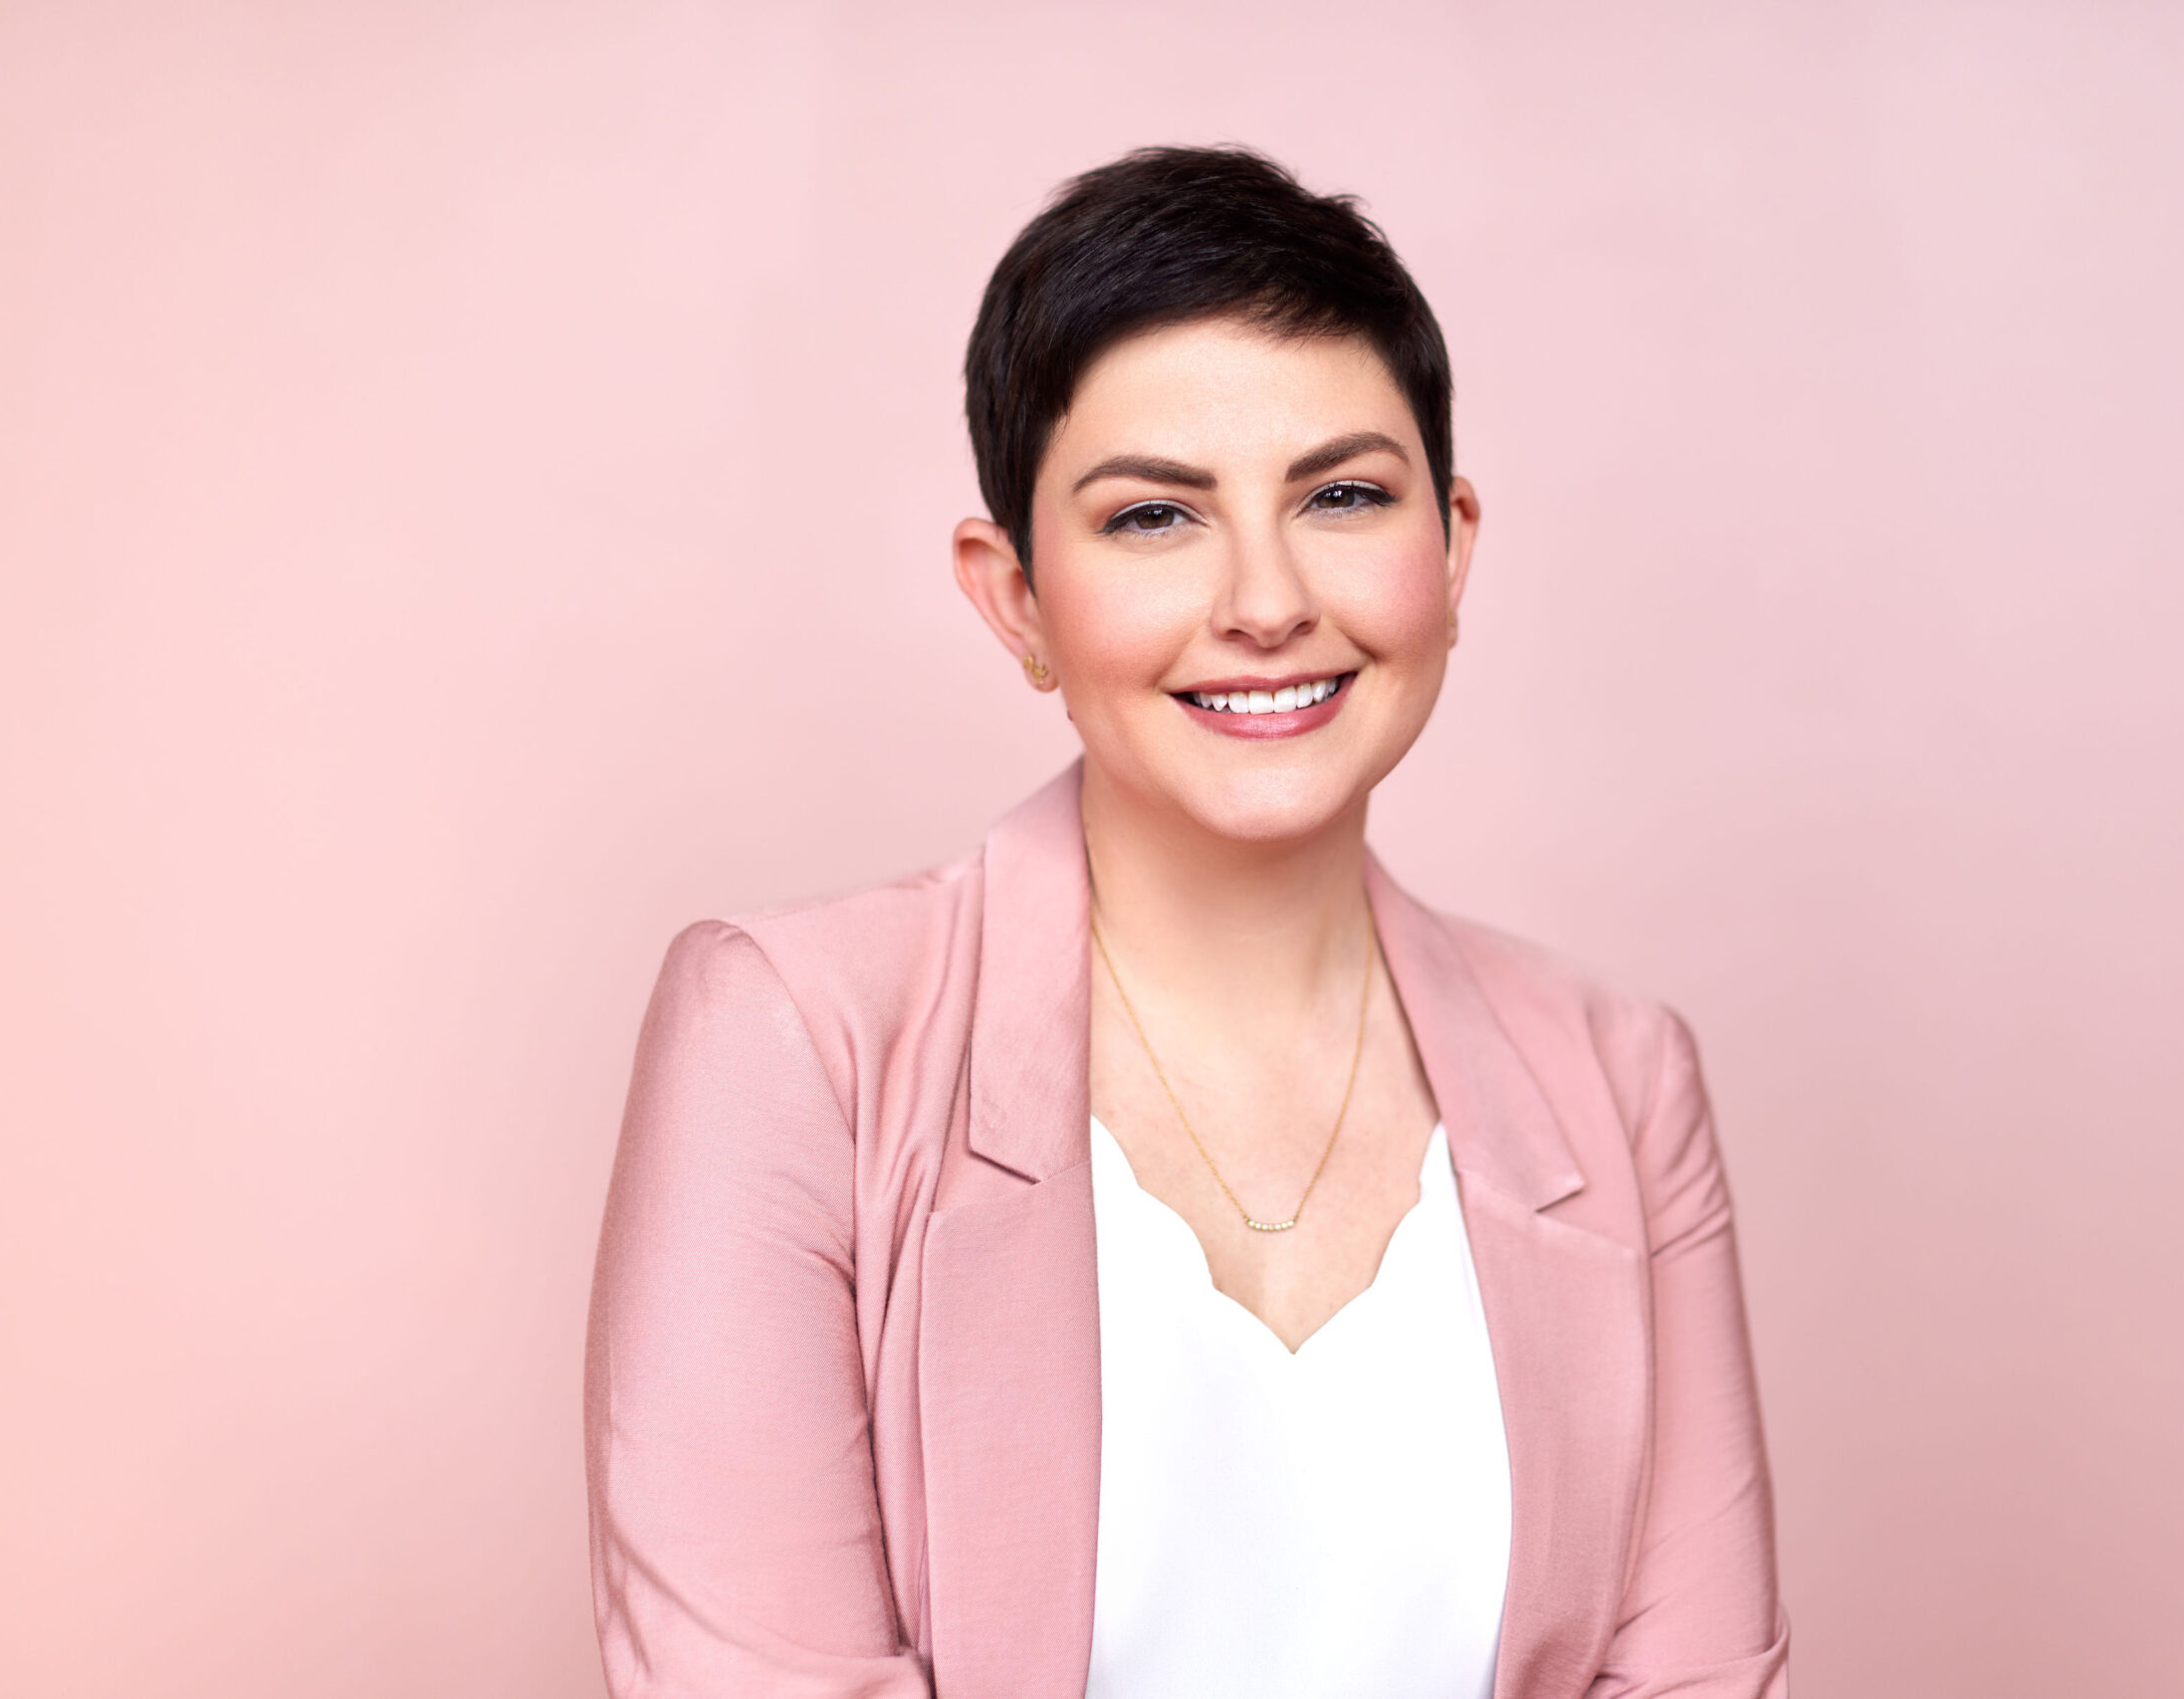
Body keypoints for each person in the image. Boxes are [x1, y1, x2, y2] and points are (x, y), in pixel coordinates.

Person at [584, 145, 1788, 1699]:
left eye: (1343, 495)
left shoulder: (1621, 1082)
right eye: (1156, 518)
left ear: (1455, 545)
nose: (1267, 599)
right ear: (1014, 595)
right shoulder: (793, 1038)